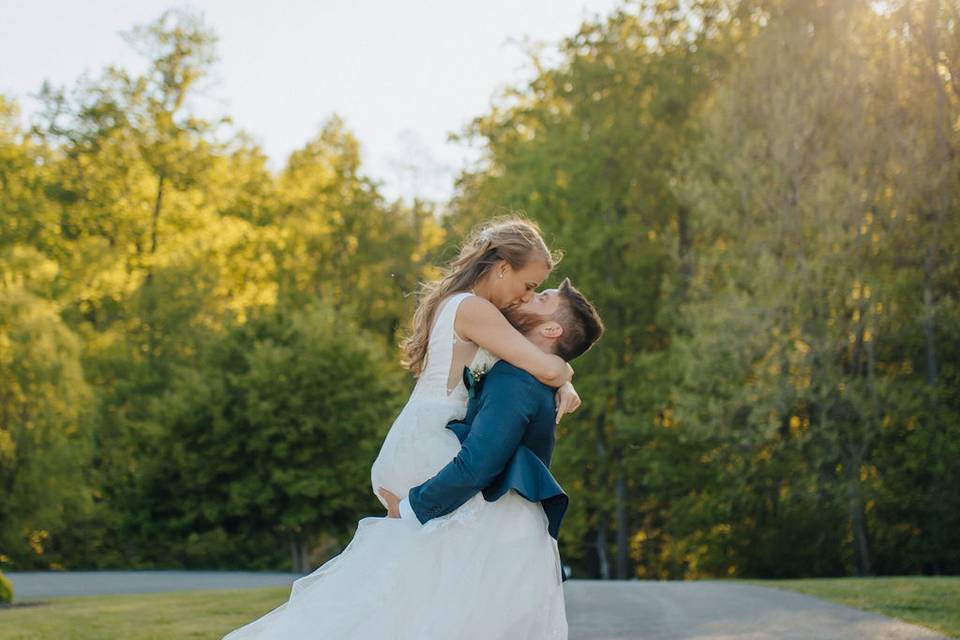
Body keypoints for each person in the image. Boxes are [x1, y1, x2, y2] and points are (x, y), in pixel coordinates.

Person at [221, 217, 583, 639]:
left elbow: (531, 354)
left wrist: (563, 377)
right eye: (527, 285)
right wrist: (567, 375)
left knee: (419, 584)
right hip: (434, 442)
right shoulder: (474, 308)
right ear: (502, 268)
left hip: (417, 437)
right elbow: (544, 362)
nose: (525, 297)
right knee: (477, 565)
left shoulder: (460, 303)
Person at [377, 277, 604, 639]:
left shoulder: (516, 380)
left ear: (551, 327)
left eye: (541, 296)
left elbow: (479, 463)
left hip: (496, 539)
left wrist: (409, 510)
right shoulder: (526, 371)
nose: (528, 295)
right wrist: (564, 377)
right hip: (505, 534)